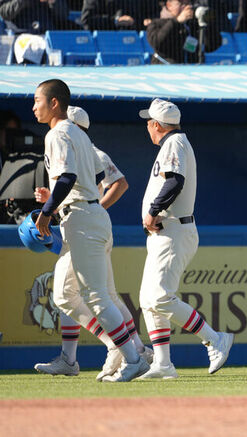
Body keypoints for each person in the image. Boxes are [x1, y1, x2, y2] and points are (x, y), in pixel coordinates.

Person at [31, 79, 148, 382]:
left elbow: (68, 176)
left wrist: (46, 213)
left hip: (82, 218)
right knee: (63, 294)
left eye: (37, 100)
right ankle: (95, 352)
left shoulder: (58, 133)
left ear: (54, 103)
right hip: (89, 214)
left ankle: (134, 358)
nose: (34, 107)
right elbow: (94, 174)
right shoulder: (79, 136)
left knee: (98, 297)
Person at [136, 98, 233, 379]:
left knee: (159, 297)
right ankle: (163, 364)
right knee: (148, 299)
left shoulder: (174, 143)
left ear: (156, 125)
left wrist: (154, 210)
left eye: (149, 123)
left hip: (174, 230)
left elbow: (175, 180)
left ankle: (215, 339)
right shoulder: (174, 143)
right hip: (166, 231)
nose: (147, 128)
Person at [146, 0, 222, 64]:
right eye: (182, 4)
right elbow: (157, 43)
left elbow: (211, 46)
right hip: (165, 70)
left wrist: (205, 24)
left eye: (188, 3)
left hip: (191, 71)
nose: (186, 7)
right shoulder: (157, 23)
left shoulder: (193, 25)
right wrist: (177, 22)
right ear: (169, 5)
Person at [0, 0, 80, 34]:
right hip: (20, 34)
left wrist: (53, 1)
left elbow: (64, 15)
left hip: (48, 33)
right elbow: (4, 13)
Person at [79, 0, 158, 31]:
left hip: (137, 39)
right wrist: (115, 21)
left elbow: (154, 14)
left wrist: (147, 21)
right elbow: (87, 20)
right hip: (108, 41)